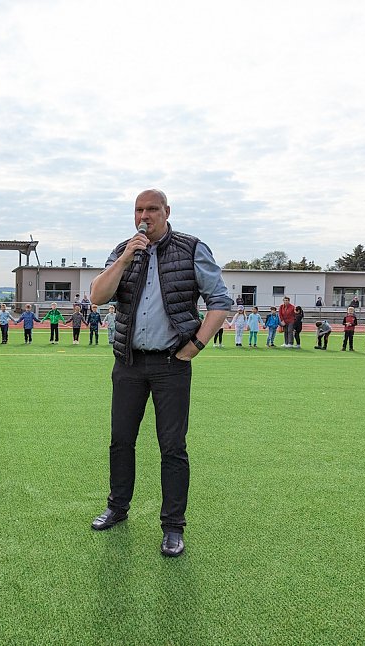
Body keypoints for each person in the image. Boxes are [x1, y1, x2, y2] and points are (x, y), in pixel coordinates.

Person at [88, 188, 232, 558]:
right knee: (121, 440)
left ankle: (172, 526)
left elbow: (220, 301)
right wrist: (123, 259)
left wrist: (195, 346)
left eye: (152, 209)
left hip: (172, 364)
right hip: (129, 362)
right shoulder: (123, 249)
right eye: (139, 209)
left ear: (167, 211)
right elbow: (97, 297)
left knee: (172, 447)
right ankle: (117, 508)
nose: (145, 215)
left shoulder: (191, 248)